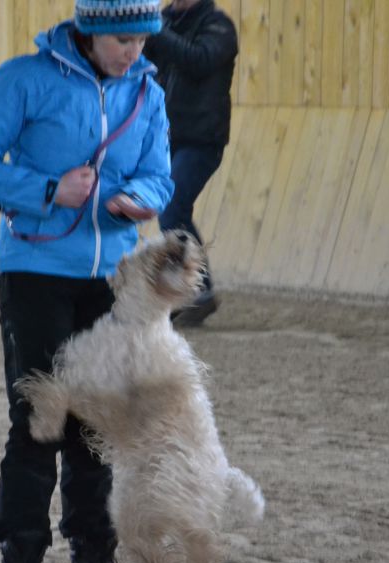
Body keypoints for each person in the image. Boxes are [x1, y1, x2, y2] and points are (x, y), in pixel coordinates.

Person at [0, 0, 172, 563]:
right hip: (34, 273)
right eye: (122, 40)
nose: (132, 52)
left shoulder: (147, 92)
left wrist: (141, 201)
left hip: (112, 282)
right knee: (39, 426)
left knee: (97, 432)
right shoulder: (22, 79)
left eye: (140, 40)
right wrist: (49, 190)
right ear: (90, 29)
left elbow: (160, 172)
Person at [143, 0, 238, 326]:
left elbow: (198, 60)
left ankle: (200, 289)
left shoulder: (219, 27)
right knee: (170, 209)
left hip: (202, 140)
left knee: (172, 207)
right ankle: (190, 290)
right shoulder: (166, 21)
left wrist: (155, 28)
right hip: (167, 137)